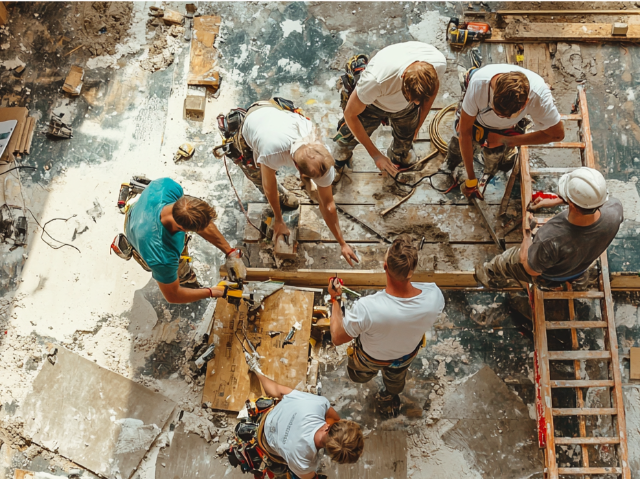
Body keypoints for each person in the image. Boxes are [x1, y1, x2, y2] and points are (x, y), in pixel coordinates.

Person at [327, 234, 445, 417]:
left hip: (370, 358)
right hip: (405, 355)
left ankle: (367, 377)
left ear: (385, 267)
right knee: (396, 379)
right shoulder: (434, 296)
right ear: (412, 270)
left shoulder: (367, 308)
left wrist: (335, 299)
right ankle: (391, 394)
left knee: (358, 374)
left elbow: (337, 337)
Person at [235, 101, 359, 266]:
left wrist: (342, 243)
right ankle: (283, 197)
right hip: (254, 120)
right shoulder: (271, 151)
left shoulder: (318, 148)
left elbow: (329, 205)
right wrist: (279, 220)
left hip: (276, 113)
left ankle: (296, 190)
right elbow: (269, 187)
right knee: (256, 173)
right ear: (299, 171)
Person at [475, 167, 623, 289]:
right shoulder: (615, 211)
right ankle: (576, 278)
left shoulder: (551, 237)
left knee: (509, 259)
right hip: (579, 265)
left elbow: (530, 269)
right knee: (568, 259)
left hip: (552, 274)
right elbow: (587, 206)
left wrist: (527, 234)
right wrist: (555, 201)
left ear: (571, 203)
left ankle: (491, 277)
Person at [443, 57, 565, 198]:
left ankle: (492, 168)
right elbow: (465, 133)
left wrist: (507, 140)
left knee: (496, 156)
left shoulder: (540, 98)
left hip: (504, 131)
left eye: (506, 116)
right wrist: (471, 179)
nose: (500, 117)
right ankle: (451, 162)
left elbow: (557, 135)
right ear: (494, 92)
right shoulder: (478, 85)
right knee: (458, 138)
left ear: (525, 102)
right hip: (477, 118)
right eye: (497, 112)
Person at [122, 177, 244, 304]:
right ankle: (188, 283)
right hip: (139, 236)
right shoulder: (162, 255)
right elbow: (173, 295)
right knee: (181, 275)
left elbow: (199, 221)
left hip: (140, 211)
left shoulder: (167, 186)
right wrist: (214, 291)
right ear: (182, 229)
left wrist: (230, 253)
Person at [334, 41, 447, 177]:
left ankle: (399, 156)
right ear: (403, 78)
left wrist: (418, 126)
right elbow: (350, 115)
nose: (418, 103)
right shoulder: (375, 81)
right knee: (348, 136)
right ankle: (339, 161)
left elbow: (431, 93)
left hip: (405, 109)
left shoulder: (438, 64)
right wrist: (376, 155)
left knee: (406, 138)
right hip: (372, 105)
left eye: (419, 100)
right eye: (412, 98)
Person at [253, 369, 364, 479]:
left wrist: (258, 372)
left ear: (328, 427)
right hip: (267, 443)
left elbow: (277, 390)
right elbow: (307, 477)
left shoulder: (316, 404)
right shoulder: (305, 463)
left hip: (268, 417)